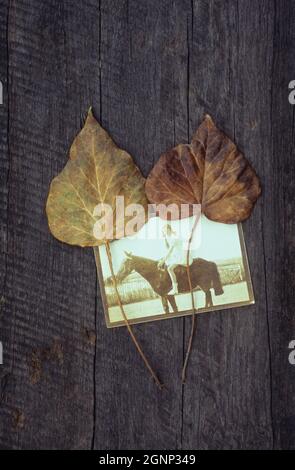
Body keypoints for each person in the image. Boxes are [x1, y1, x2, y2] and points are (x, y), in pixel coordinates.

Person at [158, 224, 192, 295]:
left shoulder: (174, 237)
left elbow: (170, 250)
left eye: (166, 230)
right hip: (175, 254)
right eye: (164, 231)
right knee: (165, 263)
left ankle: (175, 289)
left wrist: (163, 260)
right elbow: (167, 248)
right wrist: (165, 238)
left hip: (180, 255)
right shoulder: (169, 236)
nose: (165, 232)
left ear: (169, 229)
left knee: (170, 268)